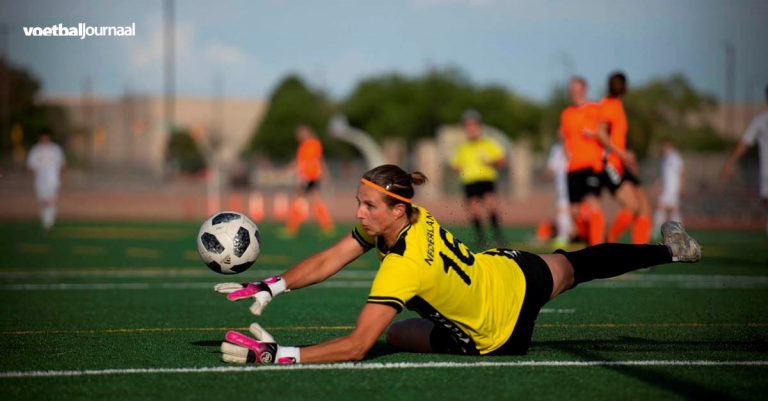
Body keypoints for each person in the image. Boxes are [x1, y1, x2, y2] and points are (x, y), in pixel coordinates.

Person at [214, 164, 701, 365]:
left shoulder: (401, 267)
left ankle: (669, 249)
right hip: (513, 274)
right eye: (358, 202)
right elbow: (334, 255)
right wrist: (273, 285)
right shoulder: (410, 214)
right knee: (580, 264)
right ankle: (672, 249)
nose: (360, 214)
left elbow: (358, 345)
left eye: (368, 206)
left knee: (392, 336)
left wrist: (281, 354)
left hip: (498, 336)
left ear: (396, 210)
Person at [589, 72, 653, 244]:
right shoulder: (609, 105)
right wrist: (621, 154)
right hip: (611, 163)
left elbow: (615, 137)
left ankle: (640, 253)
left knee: (644, 207)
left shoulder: (616, 105)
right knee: (632, 207)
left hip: (621, 162)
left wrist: (627, 157)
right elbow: (600, 133)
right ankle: (608, 243)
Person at [450, 109, 506, 248]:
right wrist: (457, 169)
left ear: (479, 127)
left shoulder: (488, 144)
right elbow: (455, 165)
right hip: (469, 181)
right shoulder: (462, 148)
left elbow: (501, 162)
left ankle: (497, 235)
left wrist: (490, 162)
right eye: (468, 126)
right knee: (474, 209)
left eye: (474, 126)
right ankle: (481, 238)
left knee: (491, 205)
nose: (471, 129)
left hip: (486, 179)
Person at [559, 77, 605, 246]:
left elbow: (605, 132)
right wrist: (566, 150)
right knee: (575, 212)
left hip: (591, 164)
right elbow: (564, 136)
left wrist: (594, 135)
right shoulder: (566, 113)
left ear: (584, 89)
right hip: (573, 167)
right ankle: (590, 241)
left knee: (593, 205)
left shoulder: (596, 109)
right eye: (572, 90)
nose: (574, 93)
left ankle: (598, 247)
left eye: (577, 90)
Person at [723, 84, 768, 235]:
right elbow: (745, 143)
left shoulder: (760, 120)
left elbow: (744, 143)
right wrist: (731, 162)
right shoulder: (760, 120)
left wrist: (730, 163)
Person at [281, 124, 335, 238]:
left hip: (308, 177)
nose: (298, 135)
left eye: (301, 133)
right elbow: (302, 161)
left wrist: (323, 174)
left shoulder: (311, 144)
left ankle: (291, 228)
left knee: (298, 200)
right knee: (315, 200)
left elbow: (313, 161)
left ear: (307, 132)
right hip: (310, 177)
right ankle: (327, 226)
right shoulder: (306, 145)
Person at [26, 129, 65, 231]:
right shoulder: (35, 150)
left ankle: (48, 223)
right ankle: (46, 219)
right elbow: (31, 166)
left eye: (46, 137)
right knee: (42, 201)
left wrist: (62, 176)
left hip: (53, 179)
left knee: (50, 200)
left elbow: (62, 164)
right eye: (42, 137)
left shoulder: (56, 149)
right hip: (40, 180)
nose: (44, 139)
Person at [535, 140, 573, 246]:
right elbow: (551, 168)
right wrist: (542, 176)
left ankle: (568, 235)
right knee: (562, 212)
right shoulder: (556, 148)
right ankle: (563, 237)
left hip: (574, 184)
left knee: (573, 213)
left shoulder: (576, 145)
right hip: (561, 187)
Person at [653, 140, 684, 239]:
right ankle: (660, 230)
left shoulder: (675, 157)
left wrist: (681, 186)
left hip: (673, 188)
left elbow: (681, 172)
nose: (662, 149)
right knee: (667, 208)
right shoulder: (664, 159)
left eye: (664, 146)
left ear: (669, 146)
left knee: (669, 208)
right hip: (665, 188)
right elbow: (663, 175)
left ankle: (676, 231)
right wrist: (658, 185)